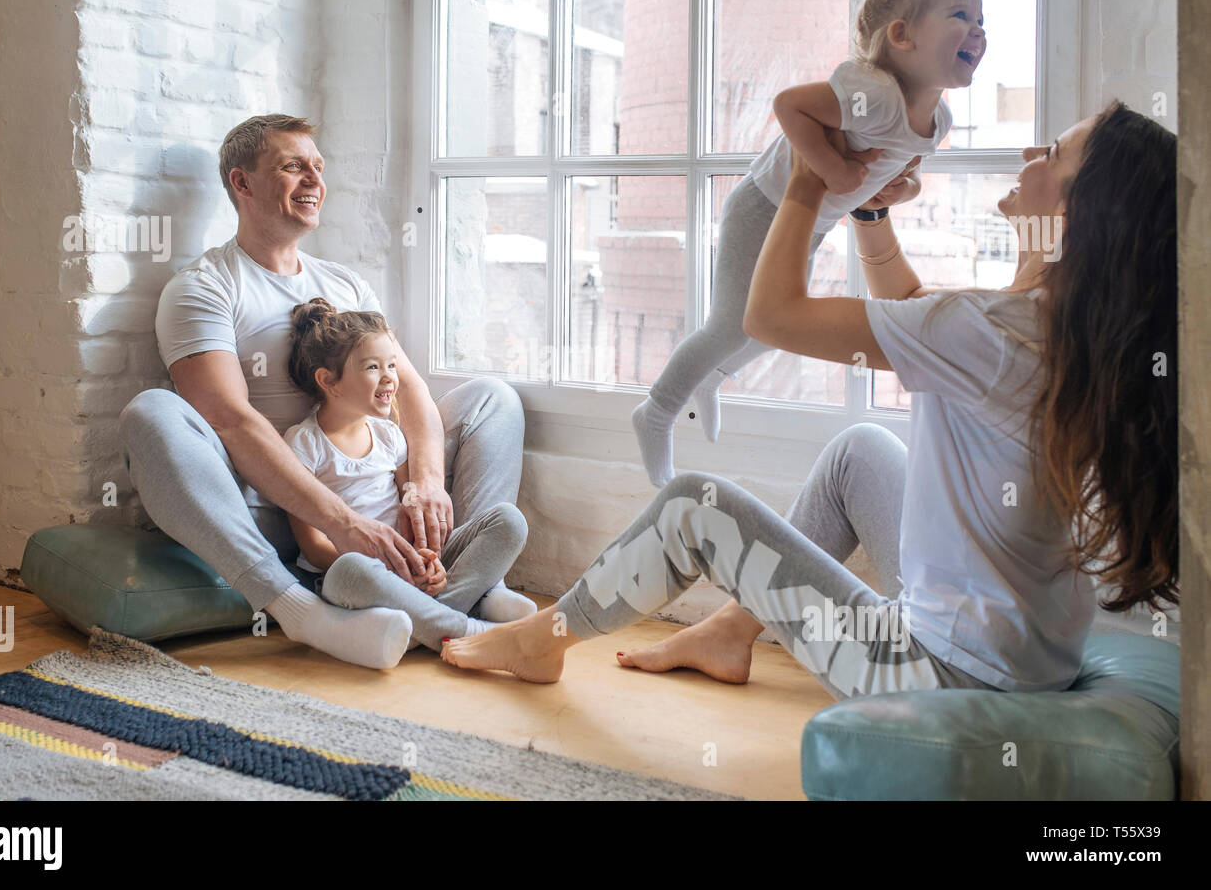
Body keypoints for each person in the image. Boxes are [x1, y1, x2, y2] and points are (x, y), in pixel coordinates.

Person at [440, 99, 1178, 700]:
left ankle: (546, 639)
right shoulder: (1057, 327)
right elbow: (916, 306)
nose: (1030, 157)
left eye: (1053, 154)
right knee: (859, 452)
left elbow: (770, 315)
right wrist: (868, 214)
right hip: (1025, 662)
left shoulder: (989, 331)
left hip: (939, 675)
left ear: (1081, 213)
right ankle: (732, 631)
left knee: (696, 506)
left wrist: (809, 179)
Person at [118, 114, 526, 669]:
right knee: (152, 413)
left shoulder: (344, 284)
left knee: (491, 398)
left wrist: (424, 485)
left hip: (377, 493)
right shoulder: (204, 287)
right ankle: (298, 609)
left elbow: (407, 390)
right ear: (242, 183)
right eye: (293, 166)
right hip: (279, 514)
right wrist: (341, 523)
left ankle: (467, 581)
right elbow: (230, 420)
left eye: (318, 167)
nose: (314, 180)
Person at [633, 0, 985, 487]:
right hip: (764, 204)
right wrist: (836, 168)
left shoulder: (937, 122)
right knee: (733, 323)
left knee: (775, 326)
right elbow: (789, 105)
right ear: (902, 36)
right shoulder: (875, 96)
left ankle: (713, 378)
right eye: (961, 15)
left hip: (811, 222)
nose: (978, 30)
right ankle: (656, 413)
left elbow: (909, 175)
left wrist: (900, 189)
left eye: (983, 20)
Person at [282, 299, 533, 659]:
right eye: (372, 367)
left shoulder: (389, 436)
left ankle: (422, 628)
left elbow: (408, 514)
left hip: (407, 569)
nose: (390, 378)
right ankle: (468, 626)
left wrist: (425, 560)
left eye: (392, 365)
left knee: (509, 521)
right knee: (351, 571)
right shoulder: (304, 443)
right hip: (352, 574)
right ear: (328, 381)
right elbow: (314, 547)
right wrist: (390, 569)